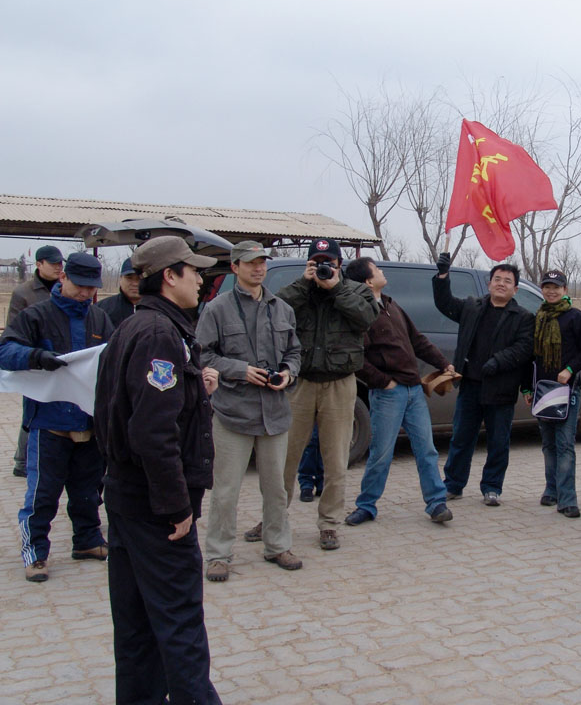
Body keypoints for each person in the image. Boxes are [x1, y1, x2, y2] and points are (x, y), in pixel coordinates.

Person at [94, 235, 222, 704]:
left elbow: (130, 411)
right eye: (193, 271)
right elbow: (151, 431)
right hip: (155, 509)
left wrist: (196, 391)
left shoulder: (139, 327)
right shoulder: (158, 334)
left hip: (128, 499)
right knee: (180, 625)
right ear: (169, 276)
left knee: (137, 629)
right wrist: (174, 508)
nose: (201, 278)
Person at [0, 252, 114, 583]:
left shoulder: (100, 319)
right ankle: (36, 553)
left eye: (92, 288)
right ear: (63, 279)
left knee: (88, 491)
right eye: (80, 286)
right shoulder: (36, 315)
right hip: (49, 425)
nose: (86, 294)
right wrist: (35, 356)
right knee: (42, 495)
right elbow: (2, 352)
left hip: (88, 424)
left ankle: (88, 542)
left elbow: (115, 356)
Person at [197, 241, 302, 581]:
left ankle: (277, 546)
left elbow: (295, 353)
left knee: (276, 488)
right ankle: (218, 554)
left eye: (262, 262)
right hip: (232, 413)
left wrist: (288, 373)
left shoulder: (282, 309)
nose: (258, 268)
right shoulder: (217, 309)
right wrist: (240, 370)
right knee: (226, 489)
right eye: (250, 263)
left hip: (274, 413)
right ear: (235, 268)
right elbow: (202, 356)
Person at [277, 238, 379, 550]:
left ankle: (329, 524)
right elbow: (275, 312)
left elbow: (367, 318)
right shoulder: (299, 290)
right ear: (309, 263)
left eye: (330, 261)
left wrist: (335, 288)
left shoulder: (355, 289)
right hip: (301, 383)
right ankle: (273, 518)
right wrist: (304, 284)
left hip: (340, 383)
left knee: (335, 460)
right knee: (284, 458)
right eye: (318, 261)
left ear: (339, 263)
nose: (324, 266)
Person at [343, 257, 455, 525]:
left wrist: (443, 363)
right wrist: (384, 382)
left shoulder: (392, 305)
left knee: (426, 450)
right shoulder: (361, 313)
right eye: (377, 269)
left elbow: (417, 340)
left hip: (414, 392)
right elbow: (356, 357)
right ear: (368, 281)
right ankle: (367, 505)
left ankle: (436, 503)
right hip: (388, 395)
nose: (382, 272)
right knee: (382, 454)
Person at [433, 253, 533, 505]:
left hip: (501, 389)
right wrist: (443, 275)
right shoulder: (471, 307)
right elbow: (444, 303)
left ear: (515, 288)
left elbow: (524, 348)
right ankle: (453, 485)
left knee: (498, 442)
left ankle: (492, 487)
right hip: (470, 386)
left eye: (507, 281)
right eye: (496, 279)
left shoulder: (523, 317)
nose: (501, 283)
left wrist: (498, 361)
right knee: (461, 438)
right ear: (488, 284)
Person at [522, 270, 581, 518]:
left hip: (567, 389)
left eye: (556, 287)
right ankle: (551, 490)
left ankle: (567, 499)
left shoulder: (575, 317)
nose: (551, 291)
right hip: (543, 390)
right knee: (548, 444)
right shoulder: (538, 317)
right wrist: (527, 388)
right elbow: (529, 357)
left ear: (565, 289)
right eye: (547, 286)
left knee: (565, 445)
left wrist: (570, 369)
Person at [5, 244, 64, 478]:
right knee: (32, 409)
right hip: (36, 360)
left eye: (60, 263)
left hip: (61, 358)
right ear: (39, 265)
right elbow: (14, 328)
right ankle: (22, 460)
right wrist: (30, 356)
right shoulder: (24, 293)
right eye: (53, 263)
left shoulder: (64, 288)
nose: (58, 267)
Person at [97, 258, 141, 327]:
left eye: (139, 278)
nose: (135, 283)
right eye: (129, 278)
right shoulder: (101, 310)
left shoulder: (157, 309)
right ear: (120, 278)